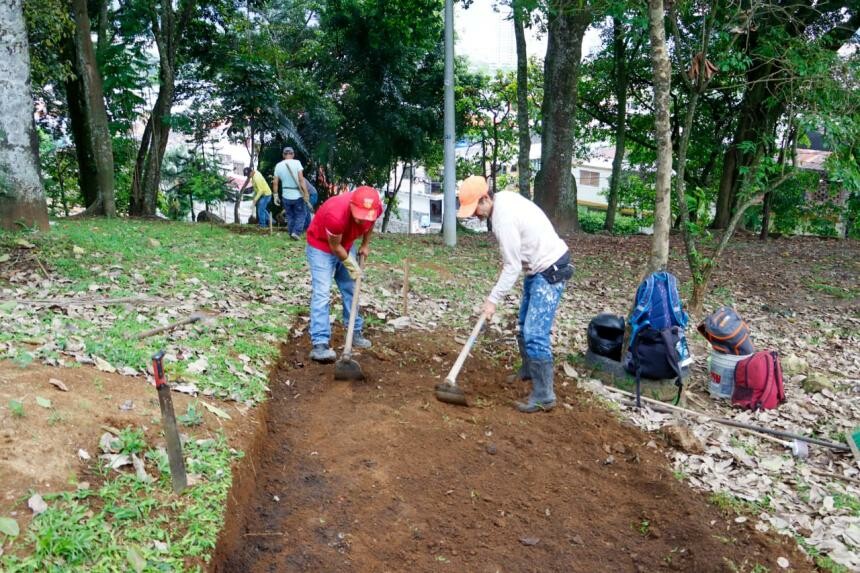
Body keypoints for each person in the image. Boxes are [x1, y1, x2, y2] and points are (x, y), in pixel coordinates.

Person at [456, 176, 573, 413]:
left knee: (535, 333)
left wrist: (492, 301)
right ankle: (529, 371)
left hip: (550, 268)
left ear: (486, 198)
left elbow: (512, 266)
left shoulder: (502, 220)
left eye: (476, 208)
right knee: (523, 324)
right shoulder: (504, 199)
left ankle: (544, 395)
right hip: (537, 266)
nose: (474, 215)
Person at [305, 186, 382, 363]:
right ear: (352, 206)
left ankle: (354, 331)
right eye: (359, 217)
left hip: (346, 244)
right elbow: (334, 247)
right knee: (323, 293)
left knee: (351, 288)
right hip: (322, 247)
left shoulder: (374, 208)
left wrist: (365, 244)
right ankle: (320, 344)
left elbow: (370, 223)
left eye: (366, 217)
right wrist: (352, 265)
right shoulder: (336, 215)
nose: (362, 221)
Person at [273, 147, 312, 240]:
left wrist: (275, 196)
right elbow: (301, 180)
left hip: (285, 195)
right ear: (293, 154)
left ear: (283, 155)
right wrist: (306, 193)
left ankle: (291, 232)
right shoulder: (297, 163)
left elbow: (275, 182)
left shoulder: (278, 165)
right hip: (297, 195)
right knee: (301, 214)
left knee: (290, 215)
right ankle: (296, 232)